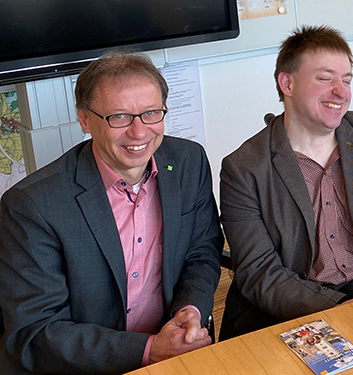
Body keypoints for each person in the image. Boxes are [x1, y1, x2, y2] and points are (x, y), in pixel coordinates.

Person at [0, 51, 223, 374]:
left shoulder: (188, 161)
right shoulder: (31, 204)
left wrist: (190, 309)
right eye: (119, 116)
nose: (139, 132)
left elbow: (202, 251)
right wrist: (148, 350)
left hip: (172, 348)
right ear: (85, 119)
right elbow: (35, 331)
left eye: (150, 113)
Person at [219, 26, 353, 338]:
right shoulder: (244, 169)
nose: (341, 91)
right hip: (297, 309)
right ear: (287, 83)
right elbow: (260, 272)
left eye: (346, 80)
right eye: (325, 78)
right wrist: (341, 310)